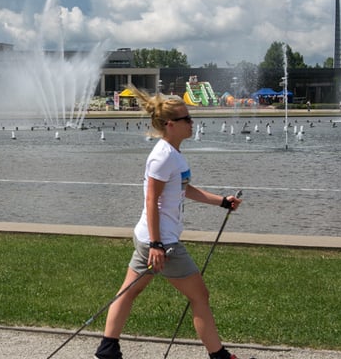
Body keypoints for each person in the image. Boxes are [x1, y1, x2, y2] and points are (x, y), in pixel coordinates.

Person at [95, 86, 247, 359]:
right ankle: (220, 356)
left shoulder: (173, 154)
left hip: (152, 238)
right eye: (186, 119)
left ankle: (107, 350)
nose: (192, 123)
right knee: (200, 296)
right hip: (162, 243)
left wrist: (221, 201)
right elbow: (151, 201)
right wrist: (156, 245)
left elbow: (183, 189)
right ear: (170, 125)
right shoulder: (163, 156)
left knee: (128, 292)